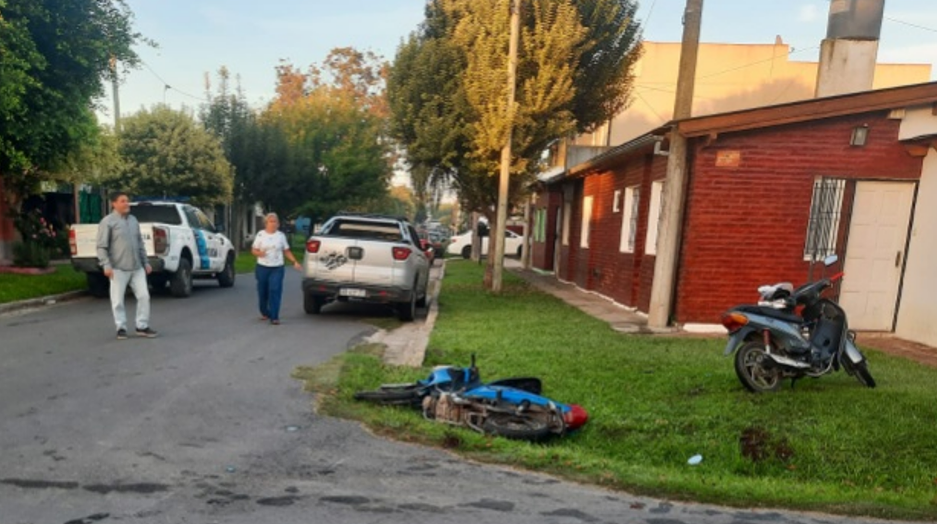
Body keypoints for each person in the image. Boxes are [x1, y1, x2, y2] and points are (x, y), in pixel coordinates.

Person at [96, 192, 158, 340]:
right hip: (118, 268)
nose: (126, 204)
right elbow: (101, 246)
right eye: (123, 201)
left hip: (137, 267)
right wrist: (106, 265)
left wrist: (145, 262)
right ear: (114, 204)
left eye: (127, 201)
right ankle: (121, 328)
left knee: (144, 296)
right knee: (118, 300)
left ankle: (142, 326)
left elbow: (139, 243)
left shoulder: (133, 220)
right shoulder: (108, 222)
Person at [252, 213, 302, 325]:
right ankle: (265, 312)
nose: (273, 224)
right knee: (263, 292)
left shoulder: (281, 236)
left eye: (275, 222)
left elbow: (286, 251)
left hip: (277, 267)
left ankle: (274, 316)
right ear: (266, 223)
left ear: (278, 224)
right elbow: (254, 250)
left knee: (275, 290)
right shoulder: (260, 235)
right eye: (271, 222)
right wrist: (259, 253)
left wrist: (294, 262)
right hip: (262, 267)